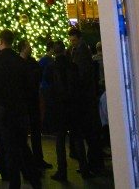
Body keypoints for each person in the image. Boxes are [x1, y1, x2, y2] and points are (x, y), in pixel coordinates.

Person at [0, 29, 41, 189]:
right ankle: (34, 179)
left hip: (3, 110)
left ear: (0, 41)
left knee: (9, 147)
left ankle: (14, 182)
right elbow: (29, 87)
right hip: (20, 109)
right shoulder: (21, 62)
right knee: (22, 144)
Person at [46, 40, 88, 182]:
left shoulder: (51, 68)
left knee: (60, 141)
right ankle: (84, 168)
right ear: (64, 50)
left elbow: (48, 88)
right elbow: (79, 85)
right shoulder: (73, 66)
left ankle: (62, 171)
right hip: (73, 107)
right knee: (77, 138)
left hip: (59, 108)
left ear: (54, 52)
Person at [67, 27, 104, 175]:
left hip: (85, 98)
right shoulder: (79, 50)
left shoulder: (81, 52)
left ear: (78, 38)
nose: (72, 42)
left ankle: (93, 164)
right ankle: (93, 163)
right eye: (71, 40)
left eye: (73, 40)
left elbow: (82, 74)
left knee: (90, 133)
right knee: (90, 133)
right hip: (86, 98)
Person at [18, 39, 51, 171]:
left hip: (32, 101)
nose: (31, 48)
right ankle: (27, 160)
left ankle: (37, 159)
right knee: (26, 133)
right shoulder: (24, 64)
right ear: (23, 48)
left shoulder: (30, 63)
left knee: (36, 132)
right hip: (25, 102)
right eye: (29, 46)